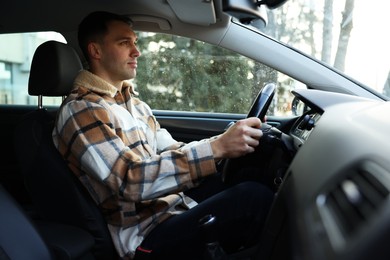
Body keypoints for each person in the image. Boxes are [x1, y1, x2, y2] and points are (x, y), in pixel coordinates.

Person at [52, 11, 274, 260]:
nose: (136, 51)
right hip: (144, 235)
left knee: (251, 171)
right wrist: (216, 148)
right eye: (124, 43)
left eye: (135, 43)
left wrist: (228, 141)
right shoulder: (82, 110)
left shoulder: (134, 104)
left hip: (169, 206)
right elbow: (129, 180)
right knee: (253, 199)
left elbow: (173, 149)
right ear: (96, 51)